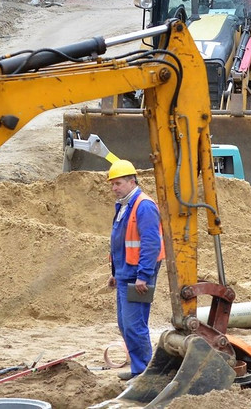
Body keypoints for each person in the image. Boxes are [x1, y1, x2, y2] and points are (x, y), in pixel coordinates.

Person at [107, 159, 164, 381]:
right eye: (112, 184)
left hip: (138, 278)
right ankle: (138, 368)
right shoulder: (124, 206)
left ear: (132, 181)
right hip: (125, 274)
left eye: (118, 183)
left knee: (134, 325)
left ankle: (143, 373)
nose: (114, 188)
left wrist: (143, 276)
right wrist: (115, 272)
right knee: (124, 324)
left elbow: (151, 244)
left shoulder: (144, 206)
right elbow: (120, 242)